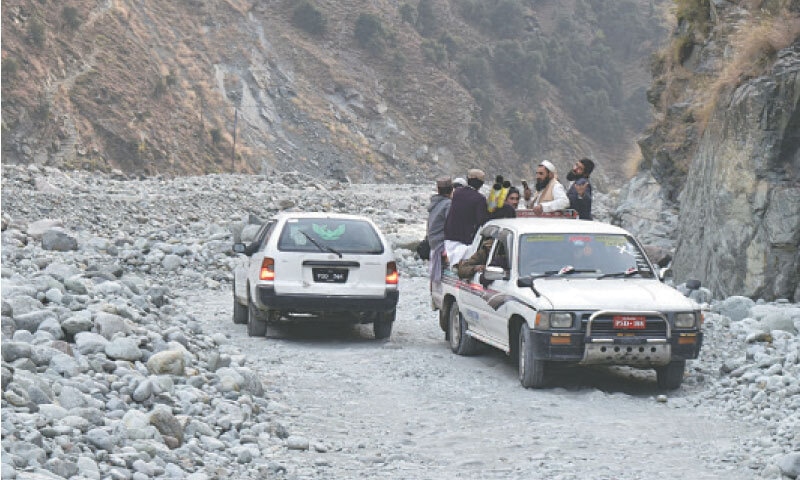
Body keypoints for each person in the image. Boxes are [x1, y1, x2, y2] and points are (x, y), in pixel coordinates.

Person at [444, 169, 488, 266]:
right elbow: (481, 220)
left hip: (449, 236)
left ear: (468, 180)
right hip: (465, 240)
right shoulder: (480, 199)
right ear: (481, 184)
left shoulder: (456, 193)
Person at [426, 176, 453, 284]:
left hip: (433, 243)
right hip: (441, 245)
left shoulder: (434, 204)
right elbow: (451, 225)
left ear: (438, 190)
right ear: (451, 189)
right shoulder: (448, 204)